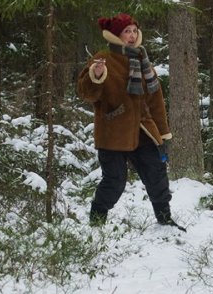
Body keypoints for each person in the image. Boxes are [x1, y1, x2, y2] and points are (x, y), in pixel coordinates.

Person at [77, 12, 184, 230]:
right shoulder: (104, 58)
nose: (132, 35)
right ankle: (96, 222)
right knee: (114, 182)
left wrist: (163, 132)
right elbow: (87, 93)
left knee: (157, 174)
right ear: (117, 34)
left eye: (135, 31)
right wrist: (96, 75)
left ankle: (165, 220)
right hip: (113, 132)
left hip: (143, 130)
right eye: (127, 31)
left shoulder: (142, 60)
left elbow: (156, 101)